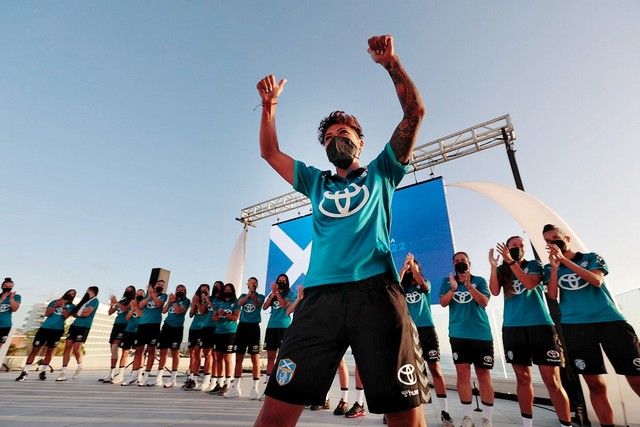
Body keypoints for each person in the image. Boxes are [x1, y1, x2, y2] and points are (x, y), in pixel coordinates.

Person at [254, 34, 427, 427]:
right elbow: (270, 153)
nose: (336, 140)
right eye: (329, 138)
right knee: (275, 412)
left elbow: (414, 112)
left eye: (344, 134)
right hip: (319, 301)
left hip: (377, 295)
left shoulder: (383, 170)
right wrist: (270, 107)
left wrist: (391, 64)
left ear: (361, 143)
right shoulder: (316, 182)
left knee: (406, 417)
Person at [543, 224, 640, 426]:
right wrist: (554, 267)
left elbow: (596, 280)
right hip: (576, 327)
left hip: (610, 321)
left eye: (555, 238)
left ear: (566, 238)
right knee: (594, 384)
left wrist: (564, 261)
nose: (553, 242)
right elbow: (552, 295)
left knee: (636, 377)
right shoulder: (550, 267)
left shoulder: (591, 257)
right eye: (548, 241)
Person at [489, 236, 571, 427]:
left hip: (540, 326)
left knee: (552, 381)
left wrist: (511, 261)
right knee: (523, 379)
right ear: (506, 248)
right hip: (513, 328)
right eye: (513, 246)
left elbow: (530, 283)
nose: (518, 248)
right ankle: (528, 424)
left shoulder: (534, 264)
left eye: (521, 246)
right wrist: (494, 266)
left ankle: (566, 423)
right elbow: (493, 291)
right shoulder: (503, 270)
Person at [440, 252, 494, 427]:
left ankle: (487, 419)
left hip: (481, 334)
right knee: (462, 375)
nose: (459, 263)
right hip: (458, 334)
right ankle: (467, 417)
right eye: (456, 261)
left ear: (469, 262)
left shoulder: (480, 280)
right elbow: (443, 302)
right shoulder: (447, 281)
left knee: (483, 375)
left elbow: (484, 302)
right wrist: (454, 289)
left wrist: (470, 287)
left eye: (462, 260)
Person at [400, 253, 453, 426]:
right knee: (410, 373)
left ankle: (445, 412)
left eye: (413, 266)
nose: (410, 269)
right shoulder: (403, 289)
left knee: (435, 368)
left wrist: (413, 267)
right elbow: (395, 286)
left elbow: (422, 284)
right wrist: (403, 269)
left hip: (426, 330)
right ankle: (405, 411)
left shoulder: (426, 284)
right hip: (408, 331)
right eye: (409, 267)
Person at [16, 289, 75, 381]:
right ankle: (25, 372)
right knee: (35, 349)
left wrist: (63, 306)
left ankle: (43, 371)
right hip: (45, 328)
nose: (70, 294)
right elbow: (47, 313)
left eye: (73, 294)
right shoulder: (54, 302)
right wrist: (56, 305)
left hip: (57, 330)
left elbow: (65, 316)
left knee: (49, 351)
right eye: (69, 292)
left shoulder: (71, 306)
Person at [122, 280, 167, 386]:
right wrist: (149, 295)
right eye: (158, 284)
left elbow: (159, 305)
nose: (160, 286)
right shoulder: (148, 295)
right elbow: (141, 306)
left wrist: (153, 294)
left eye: (162, 285)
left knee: (151, 350)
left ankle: (146, 376)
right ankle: (134, 375)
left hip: (154, 325)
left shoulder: (163, 296)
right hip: (142, 325)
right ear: (154, 286)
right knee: (138, 350)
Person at [227, 277, 265, 399]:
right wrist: (248, 294)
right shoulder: (243, 295)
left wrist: (253, 294)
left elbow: (258, 304)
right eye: (250, 282)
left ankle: (255, 388)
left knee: (255, 357)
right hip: (242, 327)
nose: (252, 284)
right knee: (239, 356)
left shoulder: (260, 296)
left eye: (254, 283)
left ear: (256, 285)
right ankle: (236, 387)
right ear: (247, 284)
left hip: (254, 327)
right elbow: (239, 303)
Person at [260, 273, 293, 399]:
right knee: (270, 357)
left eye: (284, 281)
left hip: (284, 327)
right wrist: (272, 294)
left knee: (283, 357)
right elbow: (264, 307)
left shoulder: (290, 293)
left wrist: (278, 294)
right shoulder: (273, 293)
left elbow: (285, 305)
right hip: (271, 327)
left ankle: (281, 387)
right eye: (279, 280)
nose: (281, 282)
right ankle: (268, 387)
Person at [57, 286, 100, 381]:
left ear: (92, 291)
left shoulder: (95, 301)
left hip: (84, 327)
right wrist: (78, 312)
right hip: (75, 325)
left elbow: (86, 313)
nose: (86, 291)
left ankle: (80, 365)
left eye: (88, 290)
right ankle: (63, 372)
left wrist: (78, 312)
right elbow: (74, 313)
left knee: (76, 348)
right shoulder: (84, 301)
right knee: (68, 346)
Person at [155, 284, 190, 387]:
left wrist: (174, 301)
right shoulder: (172, 299)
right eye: (178, 290)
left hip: (177, 328)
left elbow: (179, 311)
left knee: (175, 352)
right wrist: (169, 301)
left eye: (182, 290)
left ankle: (173, 378)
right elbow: (164, 310)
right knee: (163, 351)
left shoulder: (186, 301)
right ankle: (159, 377)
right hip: (167, 326)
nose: (179, 291)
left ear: (185, 291)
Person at [101, 285, 136, 383]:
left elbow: (125, 309)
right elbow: (110, 312)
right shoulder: (122, 301)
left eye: (130, 290)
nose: (127, 291)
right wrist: (112, 304)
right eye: (126, 289)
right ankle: (111, 372)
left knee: (116, 347)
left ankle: (120, 373)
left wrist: (116, 302)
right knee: (112, 348)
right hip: (116, 324)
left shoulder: (132, 301)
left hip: (124, 325)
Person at [212, 283, 240, 396]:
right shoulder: (219, 303)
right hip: (218, 332)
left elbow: (236, 317)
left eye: (229, 290)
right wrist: (219, 315)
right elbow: (213, 318)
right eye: (226, 290)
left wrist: (225, 314)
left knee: (227, 358)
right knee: (218, 358)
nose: (227, 291)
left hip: (230, 332)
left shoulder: (236, 302)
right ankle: (219, 383)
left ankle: (227, 384)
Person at [114, 288, 145, 384]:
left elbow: (142, 315)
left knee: (140, 353)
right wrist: (131, 310)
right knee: (125, 352)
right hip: (129, 330)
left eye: (141, 293)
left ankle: (139, 375)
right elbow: (127, 318)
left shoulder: (144, 304)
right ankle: (120, 375)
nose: (139, 294)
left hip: (139, 330)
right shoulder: (132, 304)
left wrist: (136, 307)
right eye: (138, 293)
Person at [184, 284, 208, 390]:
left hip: (202, 328)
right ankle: (191, 376)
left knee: (198, 352)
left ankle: (195, 378)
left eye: (205, 290)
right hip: (193, 328)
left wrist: (199, 302)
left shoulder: (207, 300)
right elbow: (191, 314)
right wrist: (194, 304)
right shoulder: (195, 299)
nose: (203, 291)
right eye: (201, 289)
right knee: (192, 353)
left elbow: (203, 312)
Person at [201, 282, 222, 392]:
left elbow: (215, 309)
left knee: (215, 354)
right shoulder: (210, 298)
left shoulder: (221, 300)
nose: (216, 288)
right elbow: (203, 311)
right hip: (206, 326)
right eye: (215, 286)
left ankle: (214, 381)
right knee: (206, 353)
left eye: (218, 286)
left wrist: (208, 301)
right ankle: (206, 378)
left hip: (216, 328)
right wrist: (204, 301)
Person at [0, 278, 21, 351]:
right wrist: (2, 299)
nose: (8, 288)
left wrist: (11, 299)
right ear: (2, 287)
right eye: (6, 286)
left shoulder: (16, 297)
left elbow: (15, 309)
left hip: (5, 325)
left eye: (10, 287)